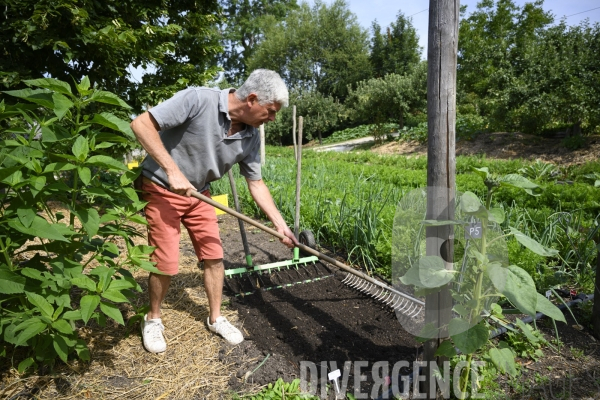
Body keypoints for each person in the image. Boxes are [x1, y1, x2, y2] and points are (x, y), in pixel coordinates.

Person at [130, 69, 298, 353]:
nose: (272, 119)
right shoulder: (197, 100)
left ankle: (215, 318)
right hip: (161, 187)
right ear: (252, 99)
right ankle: (153, 318)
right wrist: (172, 170)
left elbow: (256, 183)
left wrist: (280, 226)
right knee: (166, 261)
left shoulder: (251, 137)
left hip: (200, 193)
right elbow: (140, 124)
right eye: (270, 111)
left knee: (214, 256)